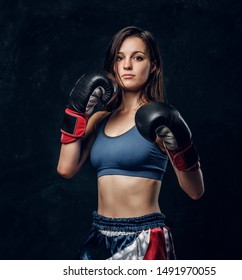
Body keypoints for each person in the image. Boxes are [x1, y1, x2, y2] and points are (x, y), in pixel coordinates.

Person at [57, 26, 204, 260]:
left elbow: (195, 191)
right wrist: (77, 112)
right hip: (99, 236)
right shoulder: (99, 119)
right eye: (120, 58)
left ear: (153, 65)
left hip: (144, 237)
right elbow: (65, 169)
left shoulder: (159, 121)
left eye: (137, 57)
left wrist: (181, 145)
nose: (127, 66)